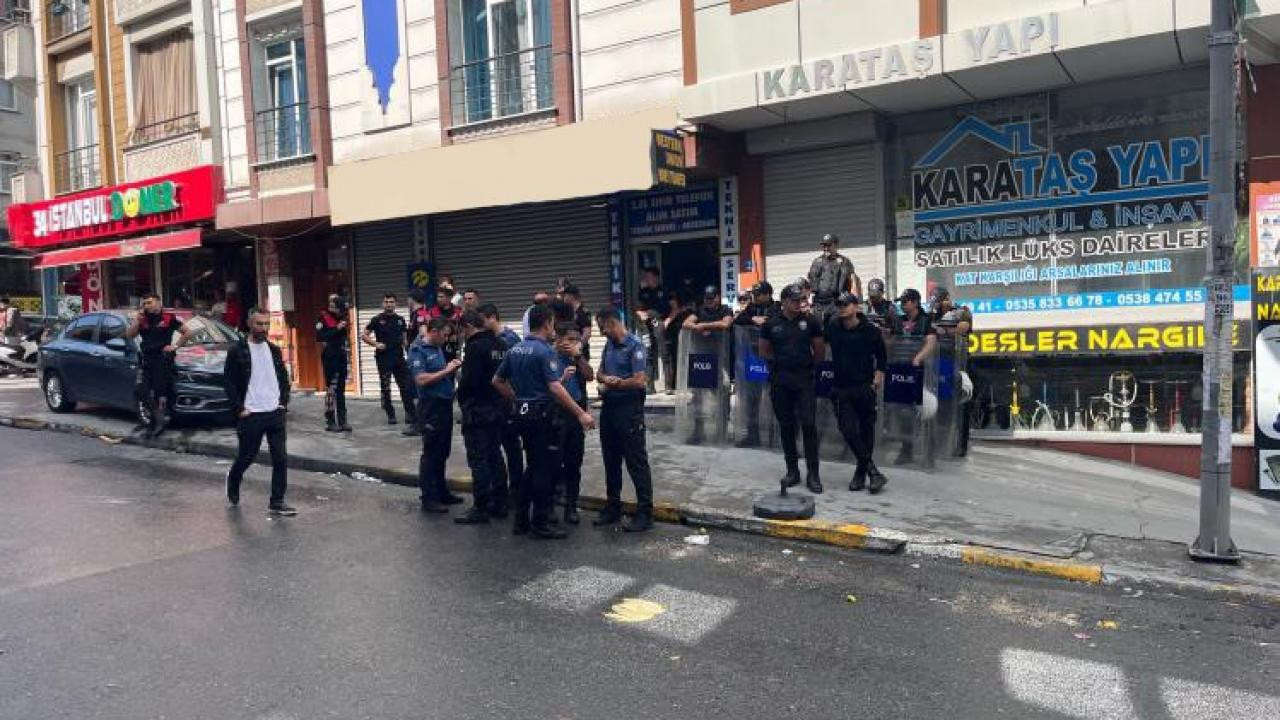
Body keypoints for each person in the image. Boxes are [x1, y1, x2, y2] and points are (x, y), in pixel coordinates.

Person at [493, 304, 595, 539]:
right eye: (552, 324)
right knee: (544, 471)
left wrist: (517, 398)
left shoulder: (516, 349)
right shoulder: (544, 351)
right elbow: (554, 388)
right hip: (543, 417)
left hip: (523, 416)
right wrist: (580, 413)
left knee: (533, 468)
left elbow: (497, 381)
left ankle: (521, 519)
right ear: (548, 323)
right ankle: (540, 522)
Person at [223, 307, 294, 515]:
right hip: (251, 414)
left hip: (274, 412)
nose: (264, 328)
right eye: (259, 324)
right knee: (247, 457)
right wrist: (239, 409)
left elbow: (283, 379)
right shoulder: (237, 351)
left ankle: (277, 501)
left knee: (280, 458)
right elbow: (229, 383)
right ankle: (234, 478)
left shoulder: (274, 350)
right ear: (249, 324)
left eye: (266, 324)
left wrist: (283, 403)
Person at [760, 284, 825, 494]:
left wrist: (808, 367)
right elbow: (764, 351)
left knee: (809, 425)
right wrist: (780, 363)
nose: (799, 303)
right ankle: (792, 471)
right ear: (784, 301)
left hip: (804, 380)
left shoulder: (810, 322)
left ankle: (813, 474)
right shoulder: (771, 324)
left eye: (801, 300)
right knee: (786, 426)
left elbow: (819, 351)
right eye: (794, 300)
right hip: (780, 380)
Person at [594, 307, 654, 532]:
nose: (602, 332)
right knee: (611, 460)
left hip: (629, 411)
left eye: (602, 327)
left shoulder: (635, 346)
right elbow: (599, 373)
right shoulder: (609, 345)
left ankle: (645, 513)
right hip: (609, 409)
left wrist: (616, 383)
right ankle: (613, 506)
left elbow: (639, 380)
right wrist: (605, 379)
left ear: (612, 323)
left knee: (636, 462)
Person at [826, 293, 888, 493]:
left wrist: (877, 379)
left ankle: (861, 473)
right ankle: (873, 471)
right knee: (848, 429)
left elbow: (882, 358)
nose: (841, 307)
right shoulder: (833, 327)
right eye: (839, 304)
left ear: (856, 307)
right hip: (841, 387)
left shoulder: (870, 331)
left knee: (866, 430)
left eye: (845, 304)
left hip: (864, 387)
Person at [454, 311, 508, 524]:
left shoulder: (475, 347)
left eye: (462, 331)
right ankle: (500, 502)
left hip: (478, 410)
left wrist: (463, 400)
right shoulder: (500, 343)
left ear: (468, 327)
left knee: (478, 459)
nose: (462, 335)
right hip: (497, 407)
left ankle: (481, 507)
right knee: (495, 455)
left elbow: (470, 381)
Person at [410, 318, 464, 513]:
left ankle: (442, 492)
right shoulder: (418, 351)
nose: (446, 338)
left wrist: (451, 369)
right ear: (433, 331)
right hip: (430, 407)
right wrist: (446, 370)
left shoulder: (437, 348)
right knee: (431, 453)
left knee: (442, 452)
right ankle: (428, 498)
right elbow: (421, 379)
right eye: (444, 334)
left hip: (444, 405)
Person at [126, 293, 193, 437]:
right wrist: (137, 321)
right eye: (144, 303)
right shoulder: (143, 319)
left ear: (158, 303)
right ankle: (158, 418)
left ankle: (156, 424)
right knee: (140, 389)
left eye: (149, 302)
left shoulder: (168, 318)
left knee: (159, 392)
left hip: (162, 359)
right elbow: (130, 335)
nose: (146, 306)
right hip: (147, 359)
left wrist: (175, 346)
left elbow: (187, 332)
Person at [481, 303, 520, 517]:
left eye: (483, 320)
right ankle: (501, 490)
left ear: (492, 318)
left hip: (508, 400)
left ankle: (516, 489)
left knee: (511, 447)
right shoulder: (487, 341)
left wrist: (514, 397)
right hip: (493, 401)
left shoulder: (510, 339)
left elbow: (516, 369)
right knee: (495, 448)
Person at [681, 286, 734, 444]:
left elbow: (726, 324)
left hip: (720, 358)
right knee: (698, 396)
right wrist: (697, 327)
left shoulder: (725, 309)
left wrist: (704, 326)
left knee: (722, 394)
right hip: (702, 359)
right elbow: (686, 323)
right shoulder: (700, 310)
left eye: (711, 298)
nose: (708, 302)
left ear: (718, 297)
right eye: (706, 299)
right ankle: (698, 431)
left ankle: (721, 432)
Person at [554, 321, 593, 525]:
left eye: (577, 340)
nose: (574, 343)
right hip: (556, 414)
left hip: (575, 415)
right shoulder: (549, 356)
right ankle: (548, 506)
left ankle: (571, 506)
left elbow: (590, 375)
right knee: (552, 462)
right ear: (558, 339)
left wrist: (578, 357)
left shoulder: (576, 358)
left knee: (574, 462)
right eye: (570, 339)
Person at [732, 281, 779, 447]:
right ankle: (753, 435)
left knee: (776, 399)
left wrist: (766, 322)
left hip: (773, 359)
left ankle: (775, 438)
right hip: (754, 358)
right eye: (754, 294)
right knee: (752, 399)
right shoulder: (752, 308)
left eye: (758, 294)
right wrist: (753, 318)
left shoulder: (777, 307)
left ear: (768, 294)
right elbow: (739, 320)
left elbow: (778, 322)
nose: (755, 297)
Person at [894, 288, 938, 464]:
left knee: (925, 411)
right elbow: (893, 340)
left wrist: (918, 358)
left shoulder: (926, 320)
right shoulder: (899, 320)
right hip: (900, 369)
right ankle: (906, 449)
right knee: (903, 411)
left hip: (921, 372)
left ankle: (929, 452)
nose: (902, 305)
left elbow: (931, 343)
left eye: (905, 301)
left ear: (915, 302)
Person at [362, 293, 417, 432]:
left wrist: (410, 351)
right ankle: (390, 414)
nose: (389, 304)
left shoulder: (400, 320)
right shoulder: (377, 319)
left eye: (391, 302)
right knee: (386, 387)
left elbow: (404, 339)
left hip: (398, 357)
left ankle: (410, 414)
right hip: (383, 358)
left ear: (395, 304)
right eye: (386, 302)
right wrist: (376, 344)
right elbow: (364, 335)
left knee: (405, 386)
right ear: (383, 304)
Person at [929, 287, 974, 457]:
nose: (937, 304)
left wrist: (945, 330)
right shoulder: (932, 315)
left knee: (961, 404)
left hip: (958, 362)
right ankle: (938, 443)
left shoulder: (961, 311)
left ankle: (960, 445)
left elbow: (963, 328)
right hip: (939, 361)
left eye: (939, 300)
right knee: (941, 404)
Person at [315, 293, 352, 432]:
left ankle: (343, 421)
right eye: (338, 308)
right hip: (330, 356)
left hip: (341, 355)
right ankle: (330, 421)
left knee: (341, 390)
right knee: (332, 388)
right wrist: (337, 328)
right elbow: (320, 337)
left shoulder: (341, 317)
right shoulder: (323, 317)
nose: (341, 312)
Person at [807, 233, 860, 325]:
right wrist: (808, 303)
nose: (826, 248)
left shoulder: (844, 262)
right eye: (824, 245)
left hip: (836, 302)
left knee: (835, 327)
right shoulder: (817, 262)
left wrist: (856, 303)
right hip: (819, 303)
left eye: (828, 245)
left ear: (836, 245)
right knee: (818, 327)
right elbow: (809, 282)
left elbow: (853, 282)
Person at [635, 267, 668, 391]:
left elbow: (674, 307)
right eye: (646, 277)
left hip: (659, 322)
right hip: (646, 325)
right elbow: (638, 308)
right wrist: (640, 314)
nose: (646, 279)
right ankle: (649, 386)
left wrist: (667, 322)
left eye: (649, 276)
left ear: (656, 277)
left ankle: (669, 385)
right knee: (648, 353)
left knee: (664, 353)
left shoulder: (663, 290)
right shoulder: (643, 292)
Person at [663, 291, 695, 394]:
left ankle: (687, 384)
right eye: (670, 300)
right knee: (673, 361)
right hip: (672, 339)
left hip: (684, 338)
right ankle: (674, 385)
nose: (671, 303)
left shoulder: (685, 311)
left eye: (673, 300)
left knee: (685, 359)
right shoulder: (668, 311)